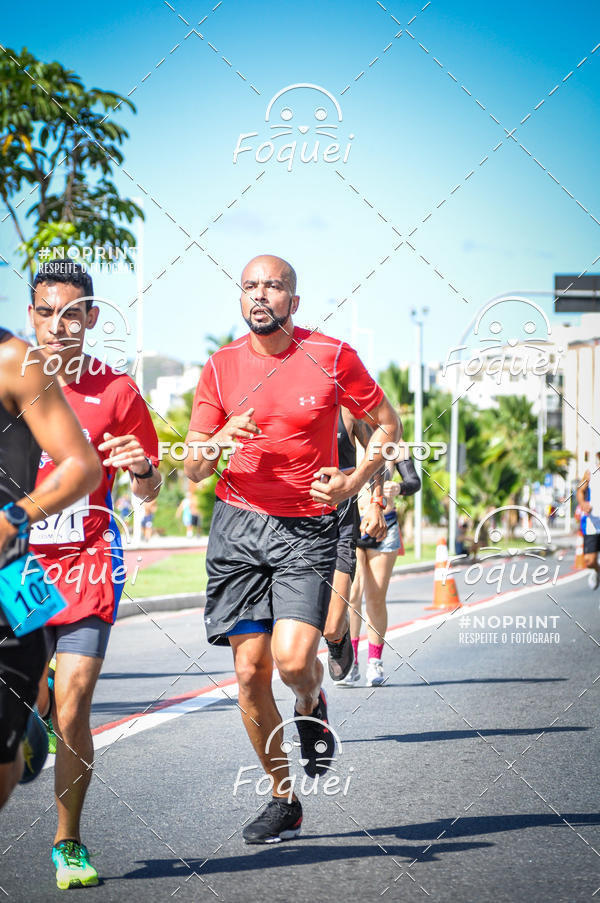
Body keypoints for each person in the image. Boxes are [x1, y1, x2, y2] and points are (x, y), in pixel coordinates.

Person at [184, 254, 400, 843]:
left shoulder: (330, 356)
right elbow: (194, 470)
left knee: (291, 663)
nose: (260, 295)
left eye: (273, 286)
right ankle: (285, 800)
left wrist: (356, 483)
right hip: (237, 525)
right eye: (250, 286)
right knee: (250, 673)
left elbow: (388, 423)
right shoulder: (220, 366)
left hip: (306, 527)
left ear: (293, 302)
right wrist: (219, 438)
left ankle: (310, 702)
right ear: (241, 298)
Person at [28, 261, 161, 889]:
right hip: (19, 568)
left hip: (88, 562)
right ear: (32, 317)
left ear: (91, 318)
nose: (59, 325)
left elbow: (152, 486)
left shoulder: (118, 393)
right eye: (46, 312)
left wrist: (139, 470)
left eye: (71, 312)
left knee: (76, 702)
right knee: (32, 705)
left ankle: (68, 843)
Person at [0, 327, 101, 811]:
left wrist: (13, 518)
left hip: (16, 566)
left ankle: (24, 726)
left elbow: (84, 467)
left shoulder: (16, 360)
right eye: (45, 311)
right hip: (33, 565)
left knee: (46, 689)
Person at [339, 450, 421, 687]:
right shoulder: (347, 436)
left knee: (375, 597)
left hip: (385, 525)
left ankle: (374, 661)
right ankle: (351, 662)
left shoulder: (395, 442)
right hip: (351, 524)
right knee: (351, 596)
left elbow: (413, 481)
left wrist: (399, 488)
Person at [322, 407, 387, 681]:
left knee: (333, 625)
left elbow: (377, 456)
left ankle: (338, 636)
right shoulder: (285, 403)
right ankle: (309, 703)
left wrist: (376, 503)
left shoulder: (348, 412)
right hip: (295, 523)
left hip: (341, 520)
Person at [577, 451, 600, 590]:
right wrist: (583, 503)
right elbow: (580, 490)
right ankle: (596, 570)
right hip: (592, 524)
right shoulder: (590, 473)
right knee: (589, 561)